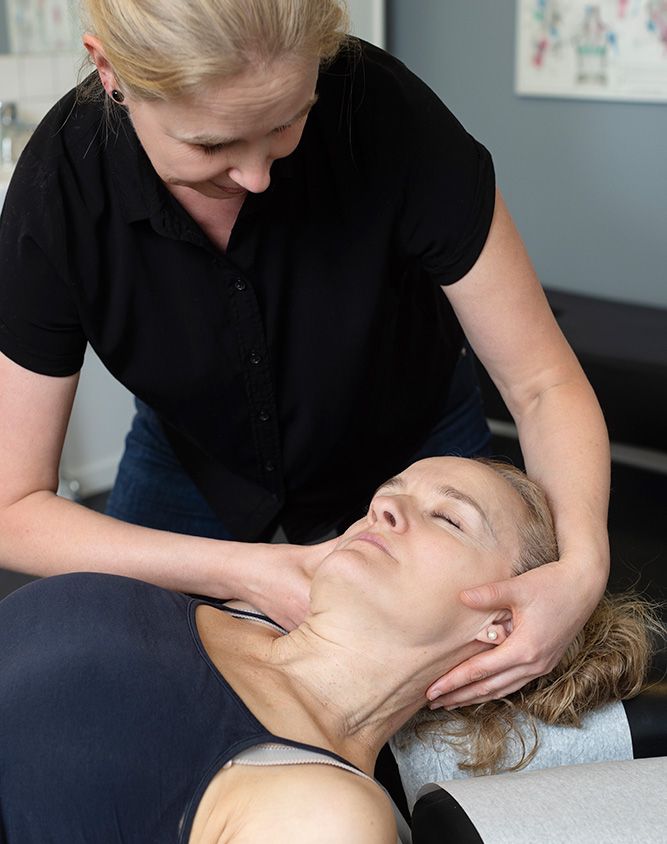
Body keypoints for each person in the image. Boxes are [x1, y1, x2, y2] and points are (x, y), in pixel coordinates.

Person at [0, 0, 611, 708]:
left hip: (410, 436)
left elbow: (541, 384)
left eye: (286, 122)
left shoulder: (386, 117)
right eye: (211, 144)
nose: (257, 176)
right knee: (131, 681)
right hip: (195, 454)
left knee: (483, 690)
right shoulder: (60, 192)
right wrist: (245, 572)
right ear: (110, 72)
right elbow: (13, 505)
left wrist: (582, 568)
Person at [0, 457, 657, 843]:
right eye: (388, 496)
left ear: (502, 626)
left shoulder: (325, 815)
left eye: (448, 518)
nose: (385, 510)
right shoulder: (230, 606)